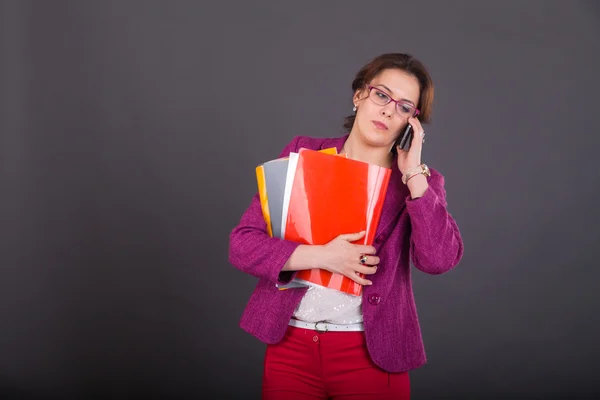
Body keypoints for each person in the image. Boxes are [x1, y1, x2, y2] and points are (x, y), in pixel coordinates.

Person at [228, 53, 464, 399]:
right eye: (381, 95)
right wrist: (321, 256)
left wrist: (413, 171)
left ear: (413, 124)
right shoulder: (304, 153)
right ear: (359, 96)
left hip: (370, 355)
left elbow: (438, 260)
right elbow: (242, 246)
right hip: (291, 349)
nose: (387, 110)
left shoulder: (418, 184)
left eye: (404, 107)